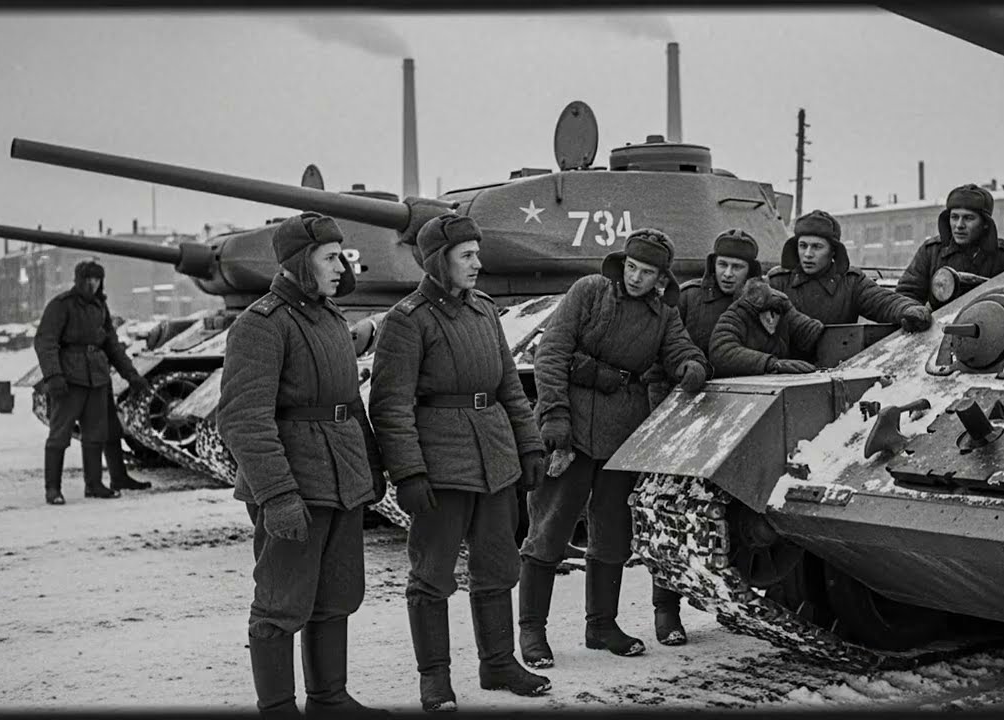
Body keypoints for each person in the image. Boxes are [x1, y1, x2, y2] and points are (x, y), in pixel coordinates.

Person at [368, 213, 552, 712]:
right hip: (440, 467)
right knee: (431, 576)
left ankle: (499, 663)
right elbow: (390, 405)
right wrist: (408, 472)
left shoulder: (485, 310)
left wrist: (529, 446)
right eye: (466, 255)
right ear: (438, 261)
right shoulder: (408, 320)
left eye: (477, 253)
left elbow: (509, 387)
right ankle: (435, 679)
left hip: (494, 460)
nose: (477, 263)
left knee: (498, 567)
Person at [217, 212, 387, 720]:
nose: (341, 266)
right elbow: (243, 418)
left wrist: (370, 467)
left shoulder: (330, 318)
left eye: (340, 256)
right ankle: (277, 708)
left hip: (341, 479)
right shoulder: (261, 324)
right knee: (281, 601)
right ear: (299, 262)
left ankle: (329, 699)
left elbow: (349, 404)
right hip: (295, 485)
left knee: (336, 594)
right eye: (330, 257)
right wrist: (277, 496)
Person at [520, 228, 711, 668]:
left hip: (623, 436)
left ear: (661, 278)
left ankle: (601, 626)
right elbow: (551, 352)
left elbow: (680, 348)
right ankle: (532, 631)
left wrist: (693, 366)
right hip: (570, 429)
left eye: (647, 272)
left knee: (612, 535)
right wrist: (554, 417)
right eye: (632, 267)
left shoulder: (663, 313)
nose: (636, 278)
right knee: (548, 530)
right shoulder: (590, 291)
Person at [644, 227, 761, 646]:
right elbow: (659, 357)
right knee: (674, 516)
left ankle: (735, 600)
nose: (728, 273)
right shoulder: (691, 298)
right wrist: (665, 415)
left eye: (737, 266)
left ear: (751, 270)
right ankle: (666, 609)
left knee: (738, 517)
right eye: (723, 264)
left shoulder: (762, 302)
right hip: (688, 415)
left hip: (745, 419)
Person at [34, 259, 151, 505]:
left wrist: (132, 376)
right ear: (78, 280)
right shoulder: (61, 305)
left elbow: (112, 345)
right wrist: (53, 375)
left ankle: (94, 484)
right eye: (87, 279)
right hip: (69, 378)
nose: (92, 284)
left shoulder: (100, 307)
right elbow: (46, 341)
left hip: (97, 378)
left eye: (96, 279)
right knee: (59, 435)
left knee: (95, 435)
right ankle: (53, 489)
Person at [768, 210, 932, 332]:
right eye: (803, 246)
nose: (808, 254)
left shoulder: (850, 282)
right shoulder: (778, 282)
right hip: (784, 365)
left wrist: (907, 308)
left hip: (838, 363)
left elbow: (882, 301)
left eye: (817, 247)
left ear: (833, 251)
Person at [895, 184, 1004, 308]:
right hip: (940, 323)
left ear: (985, 223)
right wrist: (913, 312)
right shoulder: (931, 251)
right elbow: (907, 294)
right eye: (954, 217)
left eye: (968, 218)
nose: (959, 225)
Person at [710, 277, 828, 377]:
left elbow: (808, 331)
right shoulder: (734, 316)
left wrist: (822, 334)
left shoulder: (780, 307)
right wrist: (770, 363)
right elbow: (721, 353)